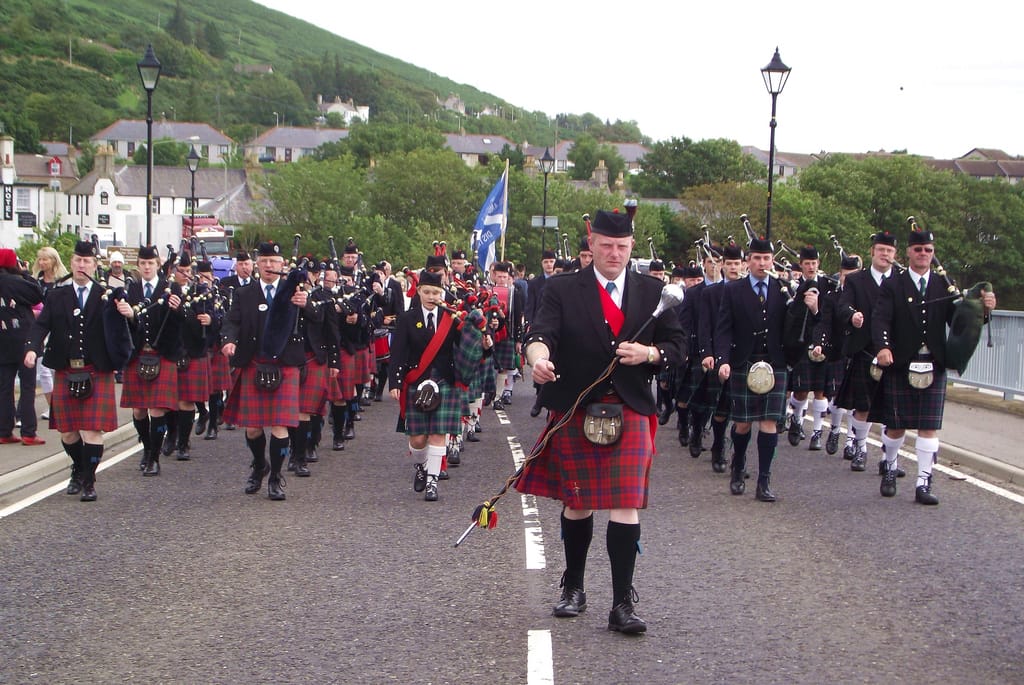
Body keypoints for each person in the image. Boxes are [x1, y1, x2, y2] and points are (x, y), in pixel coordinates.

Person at [517, 208, 685, 635]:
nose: (614, 253)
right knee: (577, 502)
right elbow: (539, 334)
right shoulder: (561, 288)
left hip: (629, 406)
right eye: (606, 245)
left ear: (632, 247)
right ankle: (573, 587)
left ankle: (622, 603)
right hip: (577, 404)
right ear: (591, 244)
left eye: (622, 247)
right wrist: (539, 361)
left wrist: (649, 354)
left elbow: (677, 346)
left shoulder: (653, 292)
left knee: (625, 502)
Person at [872, 223, 996, 504]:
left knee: (928, 427)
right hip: (901, 361)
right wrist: (883, 347)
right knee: (896, 426)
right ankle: (890, 467)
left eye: (928, 250)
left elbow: (959, 322)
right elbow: (880, 319)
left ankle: (924, 482)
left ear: (932, 252)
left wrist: (983, 310)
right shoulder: (894, 284)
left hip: (933, 362)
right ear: (908, 252)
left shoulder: (944, 284)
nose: (923, 254)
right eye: (918, 249)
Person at [24, 241, 133, 501]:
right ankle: (79, 467)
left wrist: (129, 314)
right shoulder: (57, 295)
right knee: (69, 432)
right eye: (77, 260)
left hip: (97, 368)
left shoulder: (107, 295)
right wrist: (32, 348)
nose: (81, 265)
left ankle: (89, 480)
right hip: (66, 368)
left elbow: (123, 329)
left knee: (92, 430)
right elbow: (41, 325)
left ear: (95, 265)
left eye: (87, 261)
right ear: (71, 263)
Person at [715, 235, 807, 502]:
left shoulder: (783, 289)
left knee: (769, 423)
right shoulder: (734, 290)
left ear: (772, 261)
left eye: (766, 258)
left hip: (774, 362)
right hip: (744, 361)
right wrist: (723, 360)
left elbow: (794, 325)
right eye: (757, 258)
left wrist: (807, 306)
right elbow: (723, 329)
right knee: (743, 423)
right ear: (748, 261)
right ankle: (738, 465)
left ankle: (764, 480)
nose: (762, 263)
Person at [221, 242, 312, 501]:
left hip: (284, 364)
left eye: (274, 261)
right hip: (254, 362)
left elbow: (317, 320)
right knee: (253, 428)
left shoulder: (296, 291)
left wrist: (306, 305)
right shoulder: (244, 293)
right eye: (264, 261)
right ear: (256, 265)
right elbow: (231, 322)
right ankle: (260, 465)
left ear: (282, 264)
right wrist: (228, 340)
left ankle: (275, 478)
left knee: (280, 425)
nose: (269, 266)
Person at [389, 269, 487, 501]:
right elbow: (398, 353)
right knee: (417, 438)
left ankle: (432, 482)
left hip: (444, 380)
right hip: (417, 380)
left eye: (435, 292)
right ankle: (422, 467)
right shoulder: (407, 318)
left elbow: (465, 344)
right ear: (419, 291)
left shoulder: (450, 318)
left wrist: (482, 338)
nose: (432, 297)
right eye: (427, 292)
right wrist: (395, 382)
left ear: (441, 293)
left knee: (438, 433)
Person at [834, 231, 899, 472]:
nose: (885, 254)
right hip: (865, 350)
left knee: (893, 410)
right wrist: (852, 316)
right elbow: (842, 306)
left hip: (894, 352)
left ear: (895, 254)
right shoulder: (856, 280)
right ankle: (860, 449)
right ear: (872, 252)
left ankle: (889, 459)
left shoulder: (901, 281)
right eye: (881, 249)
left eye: (889, 251)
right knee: (863, 406)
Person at [121, 246, 184, 477]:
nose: (147, 267)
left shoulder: (171, 288)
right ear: (138, 265)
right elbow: (123, 326)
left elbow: (181, 322)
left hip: (162, 354)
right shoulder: (131, 289)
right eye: (143, 263)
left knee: (157, 409)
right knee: (139, 410)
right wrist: (128, 316)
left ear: (158, 265)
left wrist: (177, 310)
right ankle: (147, 448)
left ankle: (154, 458)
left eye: (151, 263)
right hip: (137, 355)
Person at [783, 245, 836, 450]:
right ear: (801, 265)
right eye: (807, 264)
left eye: (814, 263)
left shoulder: (827, 286)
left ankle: (817, 433)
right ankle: (796, 420)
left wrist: (815, 310)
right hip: (801, 344)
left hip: (822, 343)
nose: (811, 267)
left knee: (821, 391)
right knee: (801, 391)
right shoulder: (795, 286)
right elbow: (790, 316)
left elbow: (830, 316)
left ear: (818, 264)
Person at [0, 249, 44, 445]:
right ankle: (28, 432)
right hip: (23, 340)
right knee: (27, 387)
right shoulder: (16, 281)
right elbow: (37, 294)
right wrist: (24, 273)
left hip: (2, 341)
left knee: (4, 388)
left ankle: (4, 431)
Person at [33, 246, 69, 420]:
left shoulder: (63, 281)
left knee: (59, 368)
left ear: (54, 260)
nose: (42, 262)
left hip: (60, 327)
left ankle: (64, 403)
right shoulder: (35, 281)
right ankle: (52, 407)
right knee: (44, 370)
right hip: (41, 327)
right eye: (40, 259)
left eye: (45, 259)